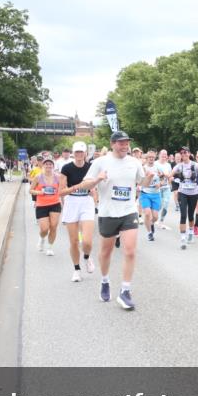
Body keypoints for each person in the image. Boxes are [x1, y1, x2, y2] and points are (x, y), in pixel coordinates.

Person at [72, 131, 150, 310]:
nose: (125, 146)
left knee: (130, 251)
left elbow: (142, 183)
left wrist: (150, 178)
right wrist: (97, 179)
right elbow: (85, 185)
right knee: (106, 252)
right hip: (107, 212)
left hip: (129, 211)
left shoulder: (134, 162)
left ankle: (125, 291)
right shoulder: (100, 162)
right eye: (121, 143)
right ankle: (105, 280)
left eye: (126, 143)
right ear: (113, 144)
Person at [59, 141, 98, 279]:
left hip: (86, 202)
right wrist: (77, 187)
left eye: (81, 152)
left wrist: (95, 198)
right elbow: (61, 192)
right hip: (71, 202)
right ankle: (76, 269)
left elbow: (94, 186)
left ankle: (86, 257)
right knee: (74, 241)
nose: (79, 154)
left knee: (87, 241)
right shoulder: (66, 168)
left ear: (85, 153)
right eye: (77, 152)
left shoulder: (91, 167)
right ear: (73, 153)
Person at [171, 147, 198, 250]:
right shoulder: (179, 166)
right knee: (183, 215)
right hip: (182, 193)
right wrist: (168, 177)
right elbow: (171, 174)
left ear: (189, 153)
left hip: (193, 194)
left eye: (185, 152)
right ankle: (183, 239)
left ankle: (190, 233)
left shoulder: (195, 165)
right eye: (181, 153)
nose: (183, 154)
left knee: (191, 215)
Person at [31, 157, 62, 255]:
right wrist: (40, 192)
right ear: (43, 165)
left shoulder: (58, 177)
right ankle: (41, 238)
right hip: (42, 205)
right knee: (44, 229)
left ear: (53, 166)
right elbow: (30, 190)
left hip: (55, 204)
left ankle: (50, 248)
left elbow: (62, 189)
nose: (48, 166)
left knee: (53, 226)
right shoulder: (38, 177)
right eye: (46, 164)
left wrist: (63, 199)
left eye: (50, 164)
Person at [137, 149, 164, 241]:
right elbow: (139, 181)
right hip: (145, 194)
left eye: (153, 157)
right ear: (147, 158)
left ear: (155, 158)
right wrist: (146, 179)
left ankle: (151, 224)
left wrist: (160, 184)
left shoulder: (158, 168)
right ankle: (149, 233)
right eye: (149, 157)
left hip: (156, 194)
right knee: (148, 214)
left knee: (155, 217)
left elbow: (163, 178)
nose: (151, 159)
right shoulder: (143, 168)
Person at [156, 149, 173, 225]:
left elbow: (170, 175)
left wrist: (170, 179)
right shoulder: (155, 164)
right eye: (162, 154)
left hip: (166, 187)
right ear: (159, 155)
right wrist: (163, 175)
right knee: (159, 205)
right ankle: (155, 217)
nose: (164, 155)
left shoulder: (168, 165)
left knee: (166, 203)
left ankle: (161, 220)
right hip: (157, 187)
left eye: (165, 154)